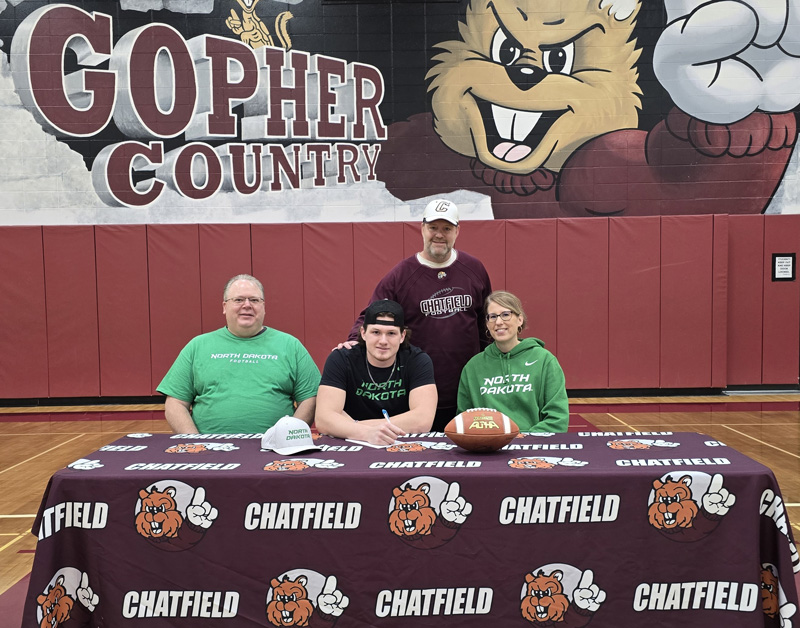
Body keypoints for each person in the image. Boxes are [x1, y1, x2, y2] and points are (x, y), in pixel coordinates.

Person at [344, 199, 491, 431]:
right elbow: (372, 315)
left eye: (447, 229)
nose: (439, 235)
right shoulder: (401, 275)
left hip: (468, 390)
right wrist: (354, 340)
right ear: (422, 228)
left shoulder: (474, 269)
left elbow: (487, 324)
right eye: (433, 228)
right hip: (418, 391)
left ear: (457, 231)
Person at [157, 274, 321, 434]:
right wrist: (195, 443)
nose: (247, 305)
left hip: (275, 450)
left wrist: (289, 436)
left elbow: (310, 398)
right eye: (238, 300)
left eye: (254, 300)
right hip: (210, 448)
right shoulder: (197, 346)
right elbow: (175, 403)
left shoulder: (290, 345)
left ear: (263, 307)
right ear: (224, 306)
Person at [318, 299, 437, 445]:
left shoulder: (417, 360)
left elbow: (423, 420)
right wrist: (367, 433)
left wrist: (354, 425)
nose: (383, 341)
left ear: (402, 336)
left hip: (402, 445)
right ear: (363, 333)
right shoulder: (341, 359)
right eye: (376, 332)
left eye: (391, 333)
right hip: (351, 445)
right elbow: (324, 419)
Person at [457, 291, 568, 433]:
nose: (498, 322)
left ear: (519, 319)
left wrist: (523, 440)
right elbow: (464, 419)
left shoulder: (544, 360)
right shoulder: (473, 367)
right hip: (488, 448)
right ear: (487, 323)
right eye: (492, 317)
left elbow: (557, 419)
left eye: (505, 315)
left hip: (532, 447)